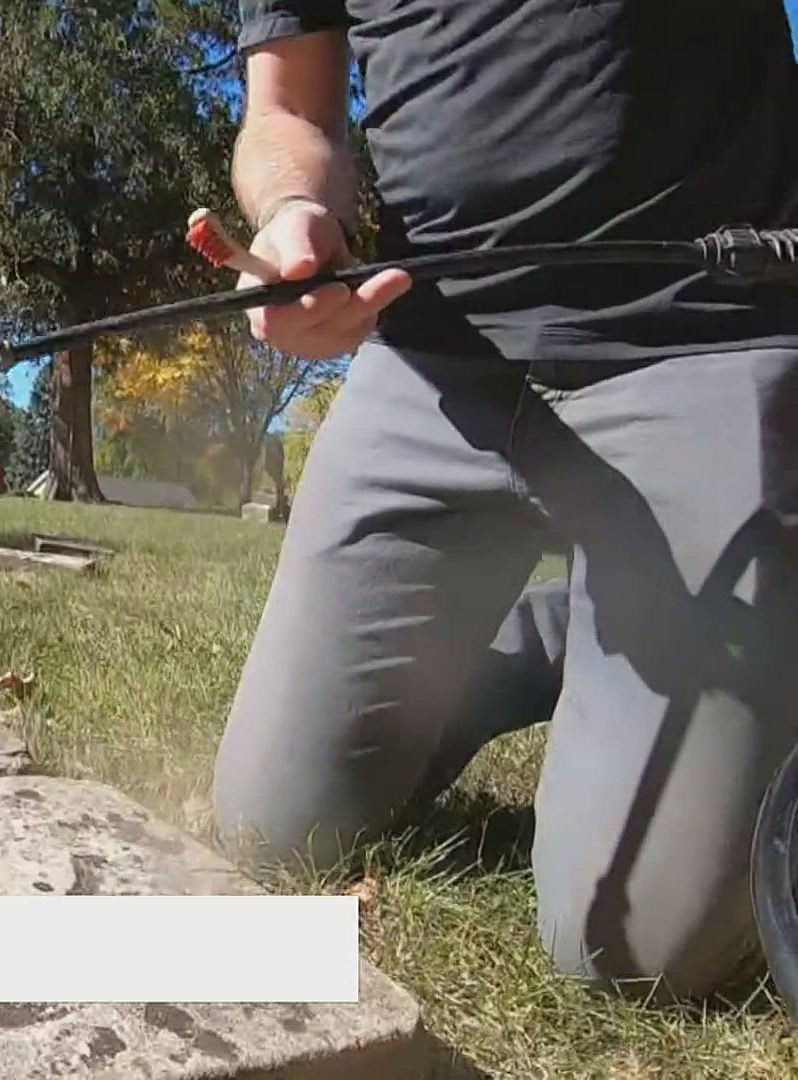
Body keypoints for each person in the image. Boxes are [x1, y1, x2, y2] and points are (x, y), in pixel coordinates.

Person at [213, 1, 798, 1002]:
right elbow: (287, 114)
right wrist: (292, 213)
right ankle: (561, 637)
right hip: (435, 354)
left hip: (703, 331)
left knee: (637, 955)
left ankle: (668, 617)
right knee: (271, 830)